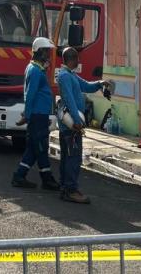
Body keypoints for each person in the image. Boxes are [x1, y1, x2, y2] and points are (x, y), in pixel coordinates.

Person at [55, 47, 110, 204]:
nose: (79, 61)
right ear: (72, 59)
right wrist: (77, 121)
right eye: (77, 58)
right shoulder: (65, 76)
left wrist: (99, 83)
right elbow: (69, 99)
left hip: (71, 125)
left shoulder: (70, 75)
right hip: (71, 126)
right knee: (73, 158)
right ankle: (71, 190)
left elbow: (86, 86)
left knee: (68, 157)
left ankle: (66, 187)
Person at [11, 37, 59, 191]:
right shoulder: (36, 71)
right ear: (39, 52)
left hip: (39, 115)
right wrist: (27, 114)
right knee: (41, 147)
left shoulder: (35, 68)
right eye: (46, 51)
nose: (48, 55)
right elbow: (30, 95)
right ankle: (47, 179)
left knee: (33, 149)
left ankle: (19, 176)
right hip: (37, 115)